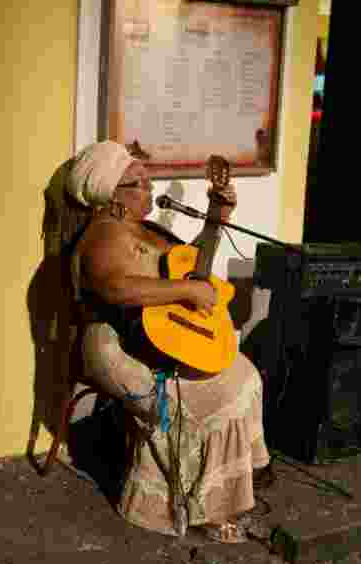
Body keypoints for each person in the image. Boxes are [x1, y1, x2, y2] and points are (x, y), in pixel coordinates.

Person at [66, 140, 270, 543]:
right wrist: (186, 293)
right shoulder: (105, 235)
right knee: (209, 401)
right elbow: (115, 287)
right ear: (111, 196)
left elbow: (193, 267)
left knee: (242, 373)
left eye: (147, 181)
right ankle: (191, 507)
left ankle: (223, 490)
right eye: (137, 184)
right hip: (116, 346)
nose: (149, 190)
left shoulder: (148, 230)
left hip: (159, 339)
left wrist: (216, 219)